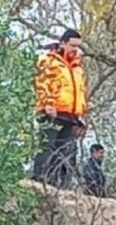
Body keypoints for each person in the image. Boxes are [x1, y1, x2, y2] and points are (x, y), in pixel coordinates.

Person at [31, 28, 88, 189]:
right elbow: (42, 83)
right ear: (63, 43)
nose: (75, 50)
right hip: (51, 111)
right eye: (72, 45)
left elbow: (81, 93)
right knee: (47, 147)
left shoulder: (78, 67)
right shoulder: (48, 59)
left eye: (78, 47)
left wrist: (80, 116)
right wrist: (49, 103)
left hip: (71, 115)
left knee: (65, 152)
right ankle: (39, 181)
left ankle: (58, 186)